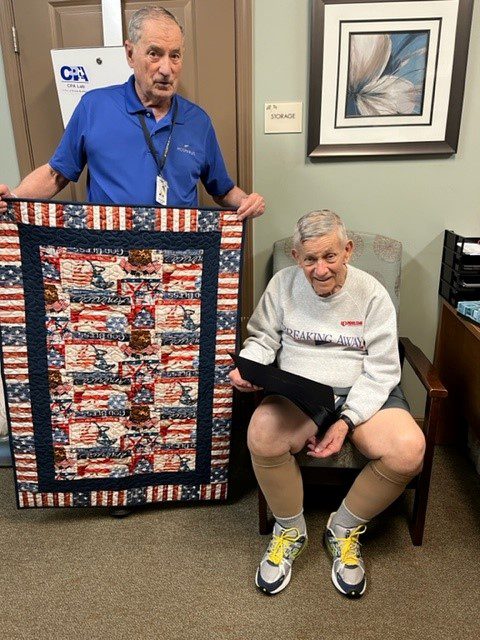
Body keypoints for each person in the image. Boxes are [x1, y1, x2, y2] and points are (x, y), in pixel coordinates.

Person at [229, 210, 425, 598]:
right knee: (262, 432)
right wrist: (250, 365)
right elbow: (263, 339)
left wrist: (346, 419)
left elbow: (384, 368)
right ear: (296, 256)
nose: (320, 270)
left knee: (409, 451)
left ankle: (344, 528)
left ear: (347, 250)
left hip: (362, 387)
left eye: (330, 256)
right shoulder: (282, 285)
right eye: (310, 259)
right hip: (300, 391)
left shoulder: (372, 294)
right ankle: (290, 530)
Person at [0, 6, 265, 220]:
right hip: (110, 258)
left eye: (175, 55)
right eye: (154, 54)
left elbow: (222, 190)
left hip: (178, 259)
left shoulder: (198, 121)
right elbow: (55, 174)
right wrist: (12, 199)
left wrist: (246, 201)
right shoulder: (94, 106)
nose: (166, 69)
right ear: (130, 54)